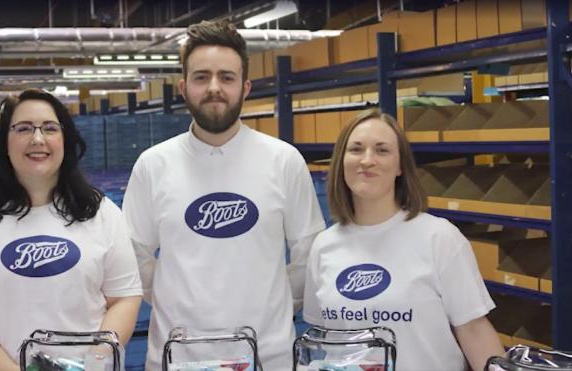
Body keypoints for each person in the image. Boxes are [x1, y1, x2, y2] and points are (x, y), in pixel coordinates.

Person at [122, 20, 325, 371]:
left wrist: (272, 303)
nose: (214, 88)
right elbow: (132, 253)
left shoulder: (284, 161)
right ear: (184, 87)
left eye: (226, 77)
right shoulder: (153, 165)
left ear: (245, 87)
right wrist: (175, 298)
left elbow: (310, 253)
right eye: (202, 77)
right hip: (177, 358)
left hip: (267, 357)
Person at [0, 88, 142, 371]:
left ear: (65, 140)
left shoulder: (101, 212)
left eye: (49, 128)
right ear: (4, 143)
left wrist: (94, 361)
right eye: (23, 129)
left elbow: (124, 298)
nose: (37, 139)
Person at [303, 108, 505, 371]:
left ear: (400, 166)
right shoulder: (324, 245)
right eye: (356, 149)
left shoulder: (438, 237)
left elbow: (474, 331)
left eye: (382, 150)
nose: (367, 160)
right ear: (341, 161)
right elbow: (324, 339)